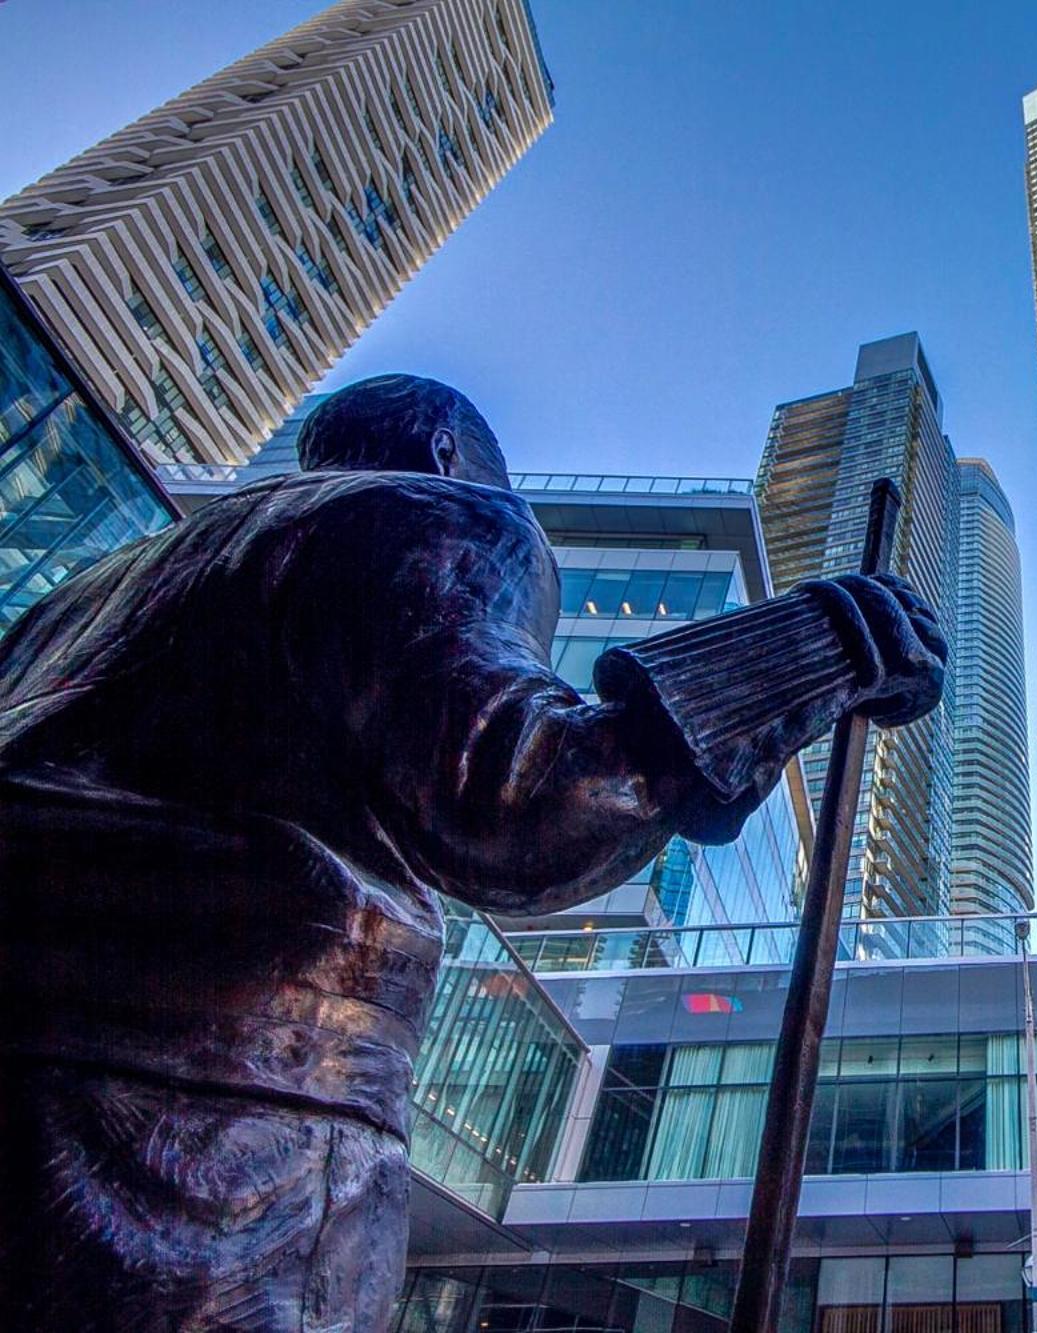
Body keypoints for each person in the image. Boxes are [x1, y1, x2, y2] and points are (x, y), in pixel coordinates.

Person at [0, 374, 946, 1330]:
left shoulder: (87, 595)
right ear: (447, 457)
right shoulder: (420, 511)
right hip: (211, 1129)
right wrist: (822, 641)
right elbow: (519, 798)